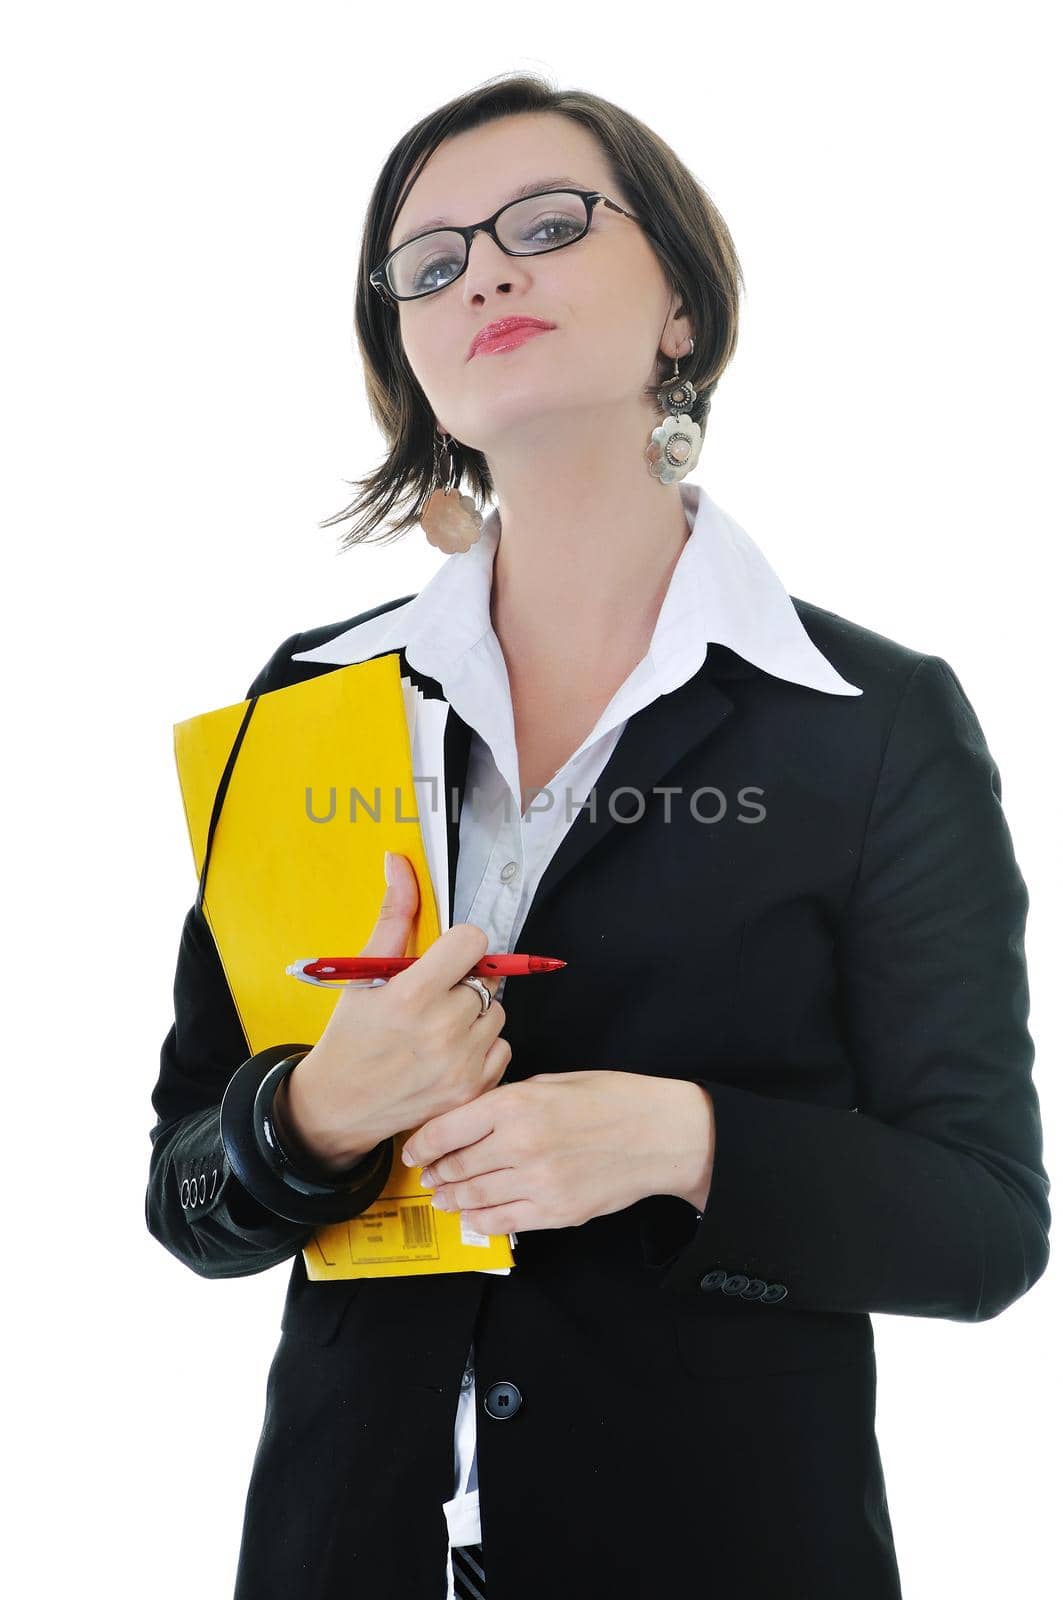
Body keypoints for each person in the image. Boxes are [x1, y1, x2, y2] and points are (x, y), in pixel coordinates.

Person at [145, 72, 1051, 1600]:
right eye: (427, 264)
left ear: (680, 308)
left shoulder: (871, 722)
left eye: (545, 225)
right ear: (413, 360)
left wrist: (680, 1145)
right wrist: (313, 1114)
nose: (483, 269)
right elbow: (188, 1204)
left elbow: (983, 1226)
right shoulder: (308, 705)